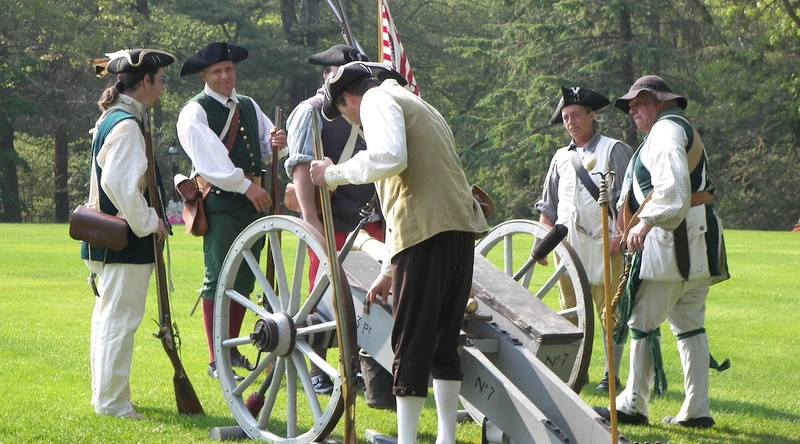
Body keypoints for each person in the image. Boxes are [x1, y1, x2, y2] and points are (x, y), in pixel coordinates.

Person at [309, 61, 488, 444]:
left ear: (348, 98)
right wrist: (389, 270)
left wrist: (332, 174)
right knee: (443, 342)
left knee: (410, 340)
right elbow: (408, 187)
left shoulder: (375, 100)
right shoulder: (418, 104)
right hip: (458, 229)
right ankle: (446, 438)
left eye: (344, 113)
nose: (352, 122)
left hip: (424, 233)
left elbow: (391, 158)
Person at [593, 75, 727, 428]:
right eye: (631, 106)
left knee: (641, 322)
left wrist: (643, 223)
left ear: (661, 102)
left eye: (639, 103)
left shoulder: (666, 131)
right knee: (689, 324)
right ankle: (697, 410)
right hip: (696, 243)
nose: (633, 111)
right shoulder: (676, 128)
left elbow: (673, 189)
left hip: (673, 244)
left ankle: (633, 405)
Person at [176, 41, 286, 380]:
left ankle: (231, 348)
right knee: (219, 278)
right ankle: (216, 359)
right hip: (223, 202)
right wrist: (246, 186)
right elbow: (211, 162)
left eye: (229, 69)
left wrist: (278, 142)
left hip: (254, 201)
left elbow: (267, 144)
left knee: (245, 278)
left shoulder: (248, 105)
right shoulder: (195, 112)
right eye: (217, 71)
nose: (225, 76)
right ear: (204, 76)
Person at [283, 45, 386, 396]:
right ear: (327, 75)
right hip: (331, 219)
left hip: (370, 217)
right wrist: (312, 222)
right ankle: (319, 370)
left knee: (370, 297)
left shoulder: (371, 108)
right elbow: (301, 168)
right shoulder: (310, 111)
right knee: (324, 297)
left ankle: (363, 366)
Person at [82, 48, 174, 419]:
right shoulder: (125, 124)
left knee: (109, 320)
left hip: (110, 239)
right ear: (145, 81)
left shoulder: (116, 117)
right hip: (124, 240)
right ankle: (112, 403)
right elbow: (118, 184)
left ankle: (106, 397)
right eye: (161, 79)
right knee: (120, 322)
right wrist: (151, 222)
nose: (163, 85)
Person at [535, 86, 633, 391]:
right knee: (570, 312)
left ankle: (611, 374)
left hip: (606, 244)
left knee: (610, 312)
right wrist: (542, 243)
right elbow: (548, 205)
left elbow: (629, 198)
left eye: (576, 115)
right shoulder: (560, 158)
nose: (570, 122)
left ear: (592, 116)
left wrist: (620, 233)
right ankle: (577, 370)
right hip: (567, 248)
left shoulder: (615, 150)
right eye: (566, 117)